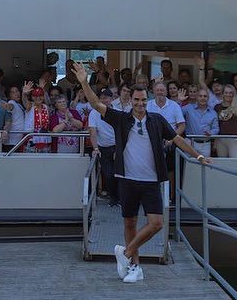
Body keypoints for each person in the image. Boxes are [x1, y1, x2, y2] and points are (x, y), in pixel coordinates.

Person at [74, 63, 208, 284]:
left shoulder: (157, 120)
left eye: (143, 100)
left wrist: (199, 156)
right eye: (136, 100)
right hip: (127, 180)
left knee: (157, 223)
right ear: (131, 100)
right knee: (130, 223)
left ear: (148, 100)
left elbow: (177, 139)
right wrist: (84, 82)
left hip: (151, 180)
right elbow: (96, 104)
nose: (140, 103)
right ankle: (135, 267)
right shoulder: (121, 118)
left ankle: (125, 253)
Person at [183, 88, 219, 158]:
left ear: (208, 98)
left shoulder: (213, 113)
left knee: (205, 164)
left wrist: (211, 133)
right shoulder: (188, 108)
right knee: (189, 164)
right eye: (200, 96)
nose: (203, 98)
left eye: (205, 96)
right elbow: (176, 113)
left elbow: (216, 128)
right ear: (197, 97)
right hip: (190, 142)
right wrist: (179, 101)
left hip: (205, 144)